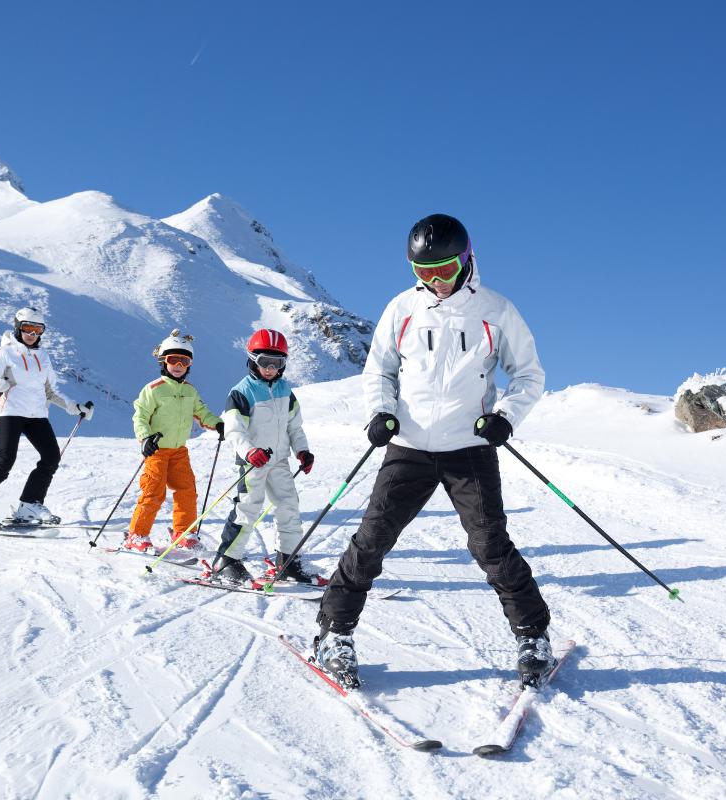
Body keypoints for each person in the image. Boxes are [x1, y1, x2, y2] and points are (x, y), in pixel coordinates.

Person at [314, 213, 555, 688]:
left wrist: (504, 417)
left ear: (466, 260)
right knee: (372, 540)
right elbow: (378, 370)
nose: (435, 282)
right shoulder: (402, 309)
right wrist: (381, 412)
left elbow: (528, 374)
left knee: (491, 546)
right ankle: (333, 632)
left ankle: (533, 635)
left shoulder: (496, 310)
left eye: (444, 270)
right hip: (409, 446)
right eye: (423, 273)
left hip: (469, 448)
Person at [0, 307, 94, 528]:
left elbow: (51, 391)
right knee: (5, 461)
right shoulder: (4, 352)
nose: (32, 334)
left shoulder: (43, 357)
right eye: (27, 328)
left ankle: (30, 503)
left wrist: (75, 407)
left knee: (51, 457)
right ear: (18, 327)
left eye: (38, 329)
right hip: (11, 412)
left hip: (37, 414)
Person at [209, 328, 317, 585]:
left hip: (279, 460)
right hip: (253, 462)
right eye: (264, 362)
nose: (270, 368)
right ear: (251, 359)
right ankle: (226, 560)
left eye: (276, 363)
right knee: (248, 507)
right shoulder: (241, 392)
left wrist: (302, 450)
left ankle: (287, 561)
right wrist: (249, 452)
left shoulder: (285, 390)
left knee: (289, 506)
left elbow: (294, 426)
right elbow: (235, 429)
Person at [125, 329, 224, 553]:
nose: (178, 365)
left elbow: (201, 412)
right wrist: (145, 438)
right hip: (157, 451)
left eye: (184, 360)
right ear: (163, 361)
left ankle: (183, 532)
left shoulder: (190, 391)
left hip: (179, 451)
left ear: (189, 364)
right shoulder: (153, 390)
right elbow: (140, 416)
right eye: (173, 359)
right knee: (153, 492)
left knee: (187, 490)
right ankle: (137, 534)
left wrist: (217, 423)